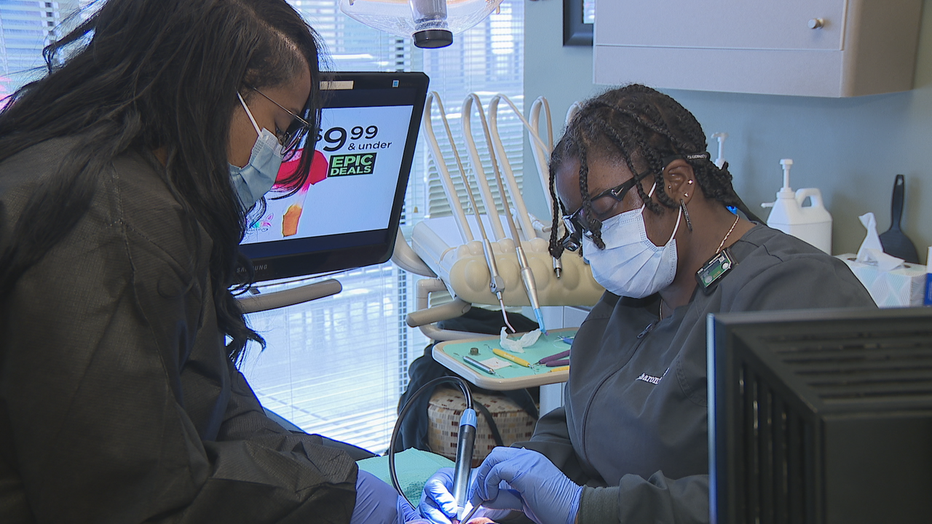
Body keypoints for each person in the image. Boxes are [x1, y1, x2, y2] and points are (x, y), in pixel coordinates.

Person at [0, 1, 421, 522]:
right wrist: (332, 497)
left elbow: (212, 403)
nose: (281, 153)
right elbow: (129, 494)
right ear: (210, 90)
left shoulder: (145, 194)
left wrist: (347, 474)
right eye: (280, 126)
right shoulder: (108, 226)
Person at [420, 84, 876, 524]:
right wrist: (512, 476)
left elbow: (800, 492)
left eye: (601, 213)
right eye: (580, 228)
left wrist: (588, 510)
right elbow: (587, 419)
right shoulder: (632, 297)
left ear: (676, 181)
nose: (594, 243)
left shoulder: (798, 293)